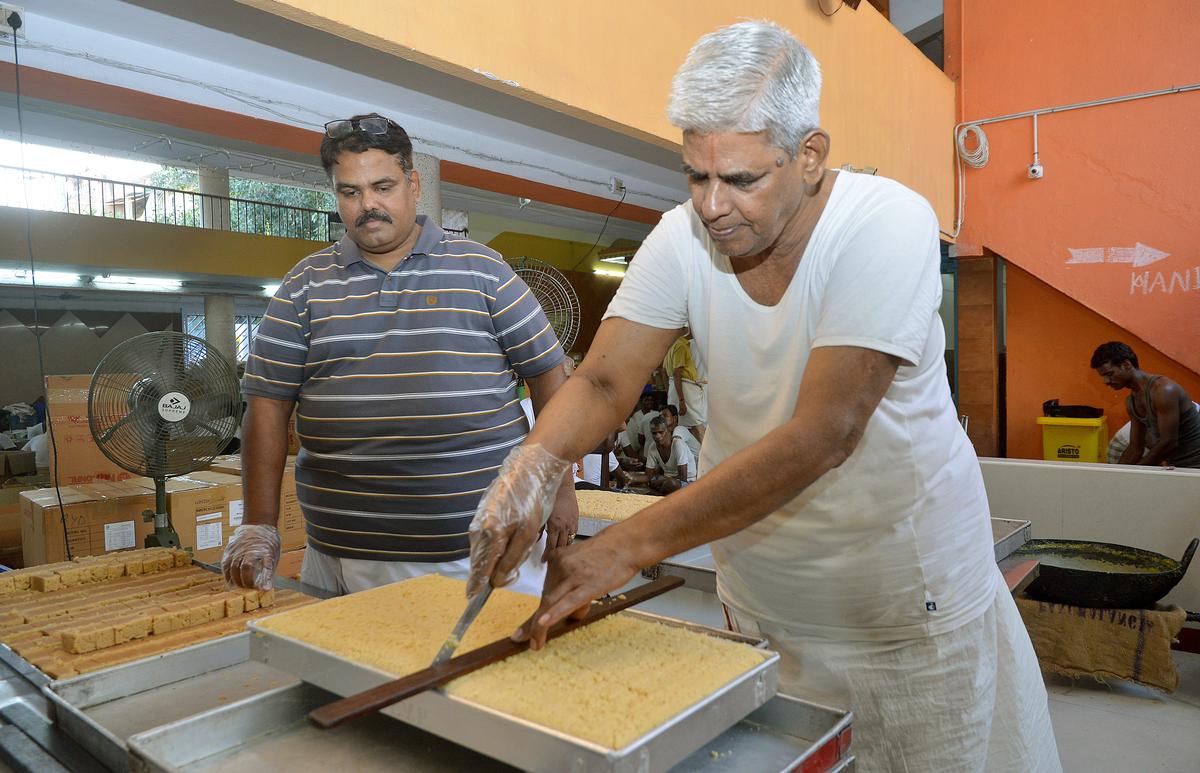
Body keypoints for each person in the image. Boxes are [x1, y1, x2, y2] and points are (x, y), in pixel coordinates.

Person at [466, 21, 1059, 772]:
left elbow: (826, 432)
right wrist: (533, 466)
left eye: (742, 179)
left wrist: (622, 548)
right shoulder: (684, 238)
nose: (712, 205)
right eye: (694, 174)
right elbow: (604, 380)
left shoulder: (884, 223)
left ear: (810, 156)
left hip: (905, 611)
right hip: (764, 598)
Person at [222, 113, 577, 596]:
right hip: (341, 553)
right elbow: (265, 407)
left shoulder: (483, 270)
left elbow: (549, 377)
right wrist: (258, 524)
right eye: (349, 192)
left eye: (382, 186)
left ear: (413, 184)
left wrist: (559, 488)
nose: (368, 205)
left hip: (476, 547)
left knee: (481, 670)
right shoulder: (303, 287)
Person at [1092, 342, 1200, 469]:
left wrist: (1137, 471)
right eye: (1103, 376)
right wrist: (1116, 475)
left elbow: (1169, 442)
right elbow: (1135, 448)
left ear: (1126, 365)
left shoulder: (1164, 390)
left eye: (1109, 374)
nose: (1106, 381)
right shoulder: (1132, 401)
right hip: (1178, 467)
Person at [664, 329, 706, 443]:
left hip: (676, 388)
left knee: (686, 426)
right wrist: (682, 400)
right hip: (684, 389)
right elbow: (677, 372)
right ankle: (710, 457)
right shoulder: (681, 345)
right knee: (696, 424)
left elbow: (665, 372)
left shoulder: (672, 345)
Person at [643, 416, 695, 493]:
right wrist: (631, 477)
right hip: (665, 481)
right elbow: (648, 476)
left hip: (687, 482)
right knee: (646, 483)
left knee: (671, 484)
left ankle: (658, 494)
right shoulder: (652, 447)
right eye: (654, 433)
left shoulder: (678, 444)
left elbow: (683, 477)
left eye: (661, 432)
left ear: (668, 430)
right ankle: (659, 492)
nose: (657, 436)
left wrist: (660, 481)